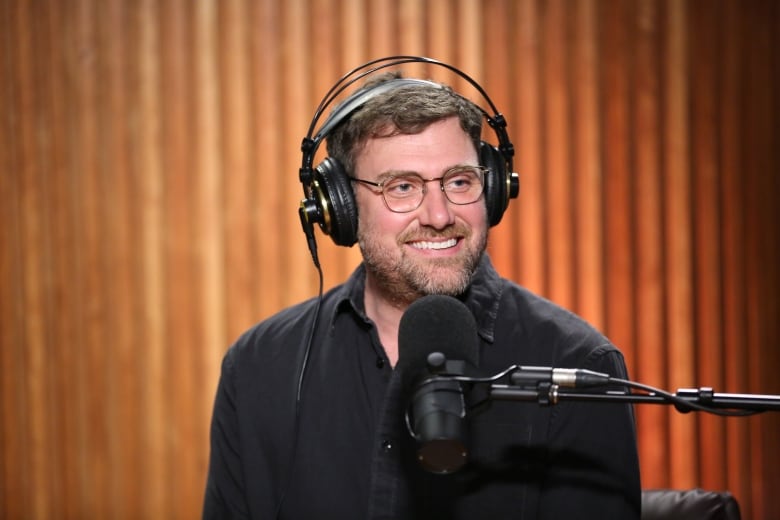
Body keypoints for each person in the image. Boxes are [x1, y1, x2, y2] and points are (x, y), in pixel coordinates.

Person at [203, 58, 641, 519]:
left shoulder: (579, 367)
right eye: (403, 187)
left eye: (459, 181)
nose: (438, 215)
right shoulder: (257, 369)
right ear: (340, 206)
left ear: (493, 190)